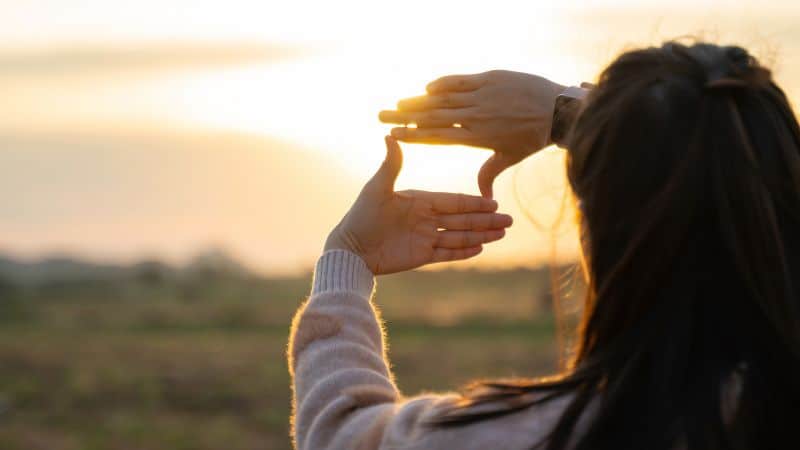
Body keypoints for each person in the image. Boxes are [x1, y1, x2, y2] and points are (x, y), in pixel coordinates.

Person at [287, 41, 800, 450]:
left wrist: (347, 258)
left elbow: (341, 433)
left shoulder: (540, 433)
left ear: (600, 221)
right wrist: (570, 115)